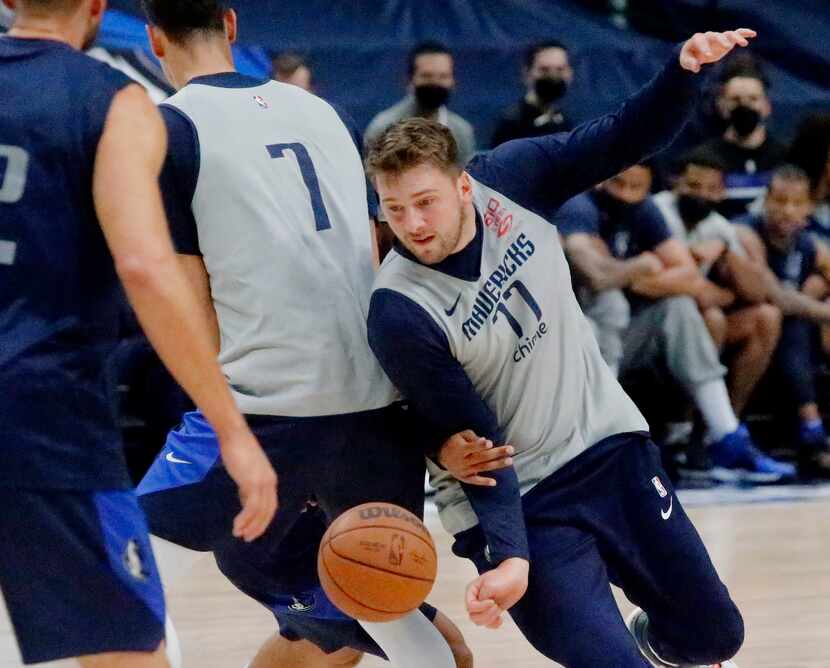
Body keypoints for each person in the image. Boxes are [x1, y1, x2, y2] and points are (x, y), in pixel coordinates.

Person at [366, 28, 758, 668]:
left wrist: (683, 73)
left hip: (608, 448)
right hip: (523, 499)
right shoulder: (399, 310)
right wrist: (512, 554)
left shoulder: (511, 180)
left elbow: (619, 136)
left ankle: (653, 643)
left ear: (464, 188)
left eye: (425, 202)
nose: (412, 225)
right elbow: (477, 441)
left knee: (714, 636)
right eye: (394, 209)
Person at [134, 2, 500, 666]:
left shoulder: (171, 129)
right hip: (374, 400)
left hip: (270, 403)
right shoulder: (323, 111)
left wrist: (217, 413)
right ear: (233, 25)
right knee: (376, 597)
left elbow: (189, 303)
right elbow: (368, 252)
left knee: (127, 567)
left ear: (154, 39)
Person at [0, 0, 276, 666]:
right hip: (44, 417)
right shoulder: (112, 100)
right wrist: (232, 429)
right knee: (125, 649)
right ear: (97, 6)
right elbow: (147, 268)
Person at [557, 164, 794, 482]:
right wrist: (643, 264)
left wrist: (634, 276)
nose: (626, 194)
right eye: (618, 183)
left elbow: (687, 273)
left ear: (648, 186)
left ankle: (725, 437)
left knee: (679, 307)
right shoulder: (579, 207)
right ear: (602, 180)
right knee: (608, 305)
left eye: (635, 186)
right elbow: (597, 278)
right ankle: (602, 440)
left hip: (624, 341)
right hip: (569, 346)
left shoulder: (646, 211)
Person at [653, 148, 781, 417]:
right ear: (675, 182)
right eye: (693, 185)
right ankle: (684, 425)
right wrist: (711, 294)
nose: (701, 195)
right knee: (711, 318)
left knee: (767, 316)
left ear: (722, 192)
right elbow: (656, 282)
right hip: (653, 316)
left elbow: (756, 293)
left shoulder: (718, 225)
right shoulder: (656, 211)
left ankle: (727, 424)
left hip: (697, 313)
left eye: (711, 188)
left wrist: (725, 252)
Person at [734, 166, 830, 479]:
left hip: (786, 343)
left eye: (796, 202)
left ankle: (812, 428)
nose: (787, 210)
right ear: (766, 200)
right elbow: (776, 296)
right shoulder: (745, 233)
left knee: (798, 319)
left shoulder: (808, 244)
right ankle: (811, 428)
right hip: (738, 333)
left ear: (808, 208)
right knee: (781, 314)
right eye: (780, 200)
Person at [696, 62, 787, 218]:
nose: (745, 106)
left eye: (753, 99)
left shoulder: (786, 158)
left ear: (766, 106)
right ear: (721, 105)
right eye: (736, 99)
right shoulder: (702, 160)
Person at [364, 40, 476, 166]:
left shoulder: (461, 132)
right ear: (410, 79)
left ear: (453, 80)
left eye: (443, 76)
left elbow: (464, 180)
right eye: (427, 76)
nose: (435, 83)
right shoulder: (384, 127)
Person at [491, 40, 574, 147]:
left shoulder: (565, 122)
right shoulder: (511, 124)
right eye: (544, 70)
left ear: (570, 74)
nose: (553, 77)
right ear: (527, 73)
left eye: (560, 69)